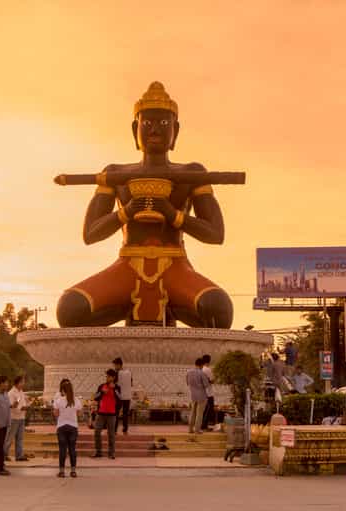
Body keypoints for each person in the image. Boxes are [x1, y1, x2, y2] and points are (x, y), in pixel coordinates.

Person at [55, 82, 233, 329]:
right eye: (147, 123)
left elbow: (215, 234)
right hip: (126, 268)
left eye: (164, 123)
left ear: (175, 130)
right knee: (70, 309)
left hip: (176, 269)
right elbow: (90, 234)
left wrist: (172, 214)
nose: (155, 130)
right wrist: (127, 211)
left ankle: (173, 310)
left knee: (217, 309)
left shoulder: (192, 173)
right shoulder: (115, 174)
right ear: (134, 129)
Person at [53, 379, 83, 478]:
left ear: (63, 391)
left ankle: (61, 472)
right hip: (73, 427)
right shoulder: (76, 400)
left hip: (61, 426)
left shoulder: (58, 400)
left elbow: (56, 414)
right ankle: (73, 471)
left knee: (62, 450)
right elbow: (79, 414)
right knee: (72, 449)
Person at [92, 369, 121, 459]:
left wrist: (114, 389)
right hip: (101, 413)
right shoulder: (102, 386)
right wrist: (102, 392)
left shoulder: (117, 387)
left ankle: (111, 453)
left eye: (109, 376)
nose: (107, 378)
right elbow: (95, 397)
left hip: (112, 414)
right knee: (97, 432)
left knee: (111, 434)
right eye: (106, 376)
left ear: (113, 377)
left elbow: (120, 398)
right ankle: (98, 451)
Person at [4, 375, 28, 462]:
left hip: (21, 417)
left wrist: (25, 407)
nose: (23, 384)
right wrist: (20, 408)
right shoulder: (11, 393)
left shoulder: (21, 392)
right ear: (17, 383)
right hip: (14, 417)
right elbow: (11, 405)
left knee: (20, 438)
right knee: (10, 437)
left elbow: (22, 402)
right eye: (22, 382)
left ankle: (19, 455)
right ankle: (4, 454)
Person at [186, 358, 210, 434]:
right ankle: (197, 429)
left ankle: (190, 429)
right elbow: (206, 385)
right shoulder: (202, 373)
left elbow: (187, 383)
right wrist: (209, 380)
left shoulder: (188, 372)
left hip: (193, 395)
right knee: (199, 413)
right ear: (202, 365)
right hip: (202, 395)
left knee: (192, 412)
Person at [113, 358, 133, 434]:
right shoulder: (129, 372)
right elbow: (131, 383)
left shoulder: (117, 373)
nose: (114, 367)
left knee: (116, 413)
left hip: (119, 396)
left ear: (119, 364)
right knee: (125, 414)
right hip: (127, 396)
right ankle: (125, 429)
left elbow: (114, 384)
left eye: (115, 365)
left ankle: (114, 429)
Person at [201, 354, 215, 431]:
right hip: (209, 393)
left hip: (203, 392)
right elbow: (212, 380)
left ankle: (202, 425)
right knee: (209, 409)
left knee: (204, 409)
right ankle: (204, 425)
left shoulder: (201, 369)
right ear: (209, 361)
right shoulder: (208, 370)